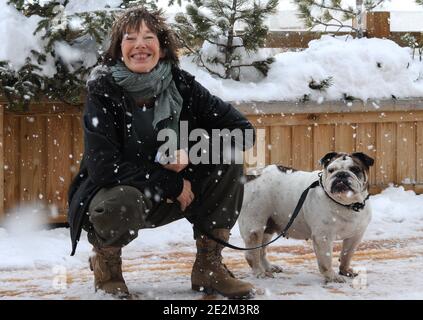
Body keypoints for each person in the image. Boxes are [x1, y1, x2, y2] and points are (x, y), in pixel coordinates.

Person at [67, 6, 255, 299]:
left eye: (148, 37)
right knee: (120, 200)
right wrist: (170, 182)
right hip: (126, 195)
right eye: (129, 38)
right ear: (118, 50)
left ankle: (209, 266)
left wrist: (192, 155)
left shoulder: (182, 86)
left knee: (228, 159)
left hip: (180, 193)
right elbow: (103, 167)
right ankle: (108, 269)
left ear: (163, 47)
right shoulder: (103, 92)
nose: (139, 45)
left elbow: (242, 131)